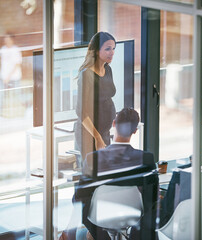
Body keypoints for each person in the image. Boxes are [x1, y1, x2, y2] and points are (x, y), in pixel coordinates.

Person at [61, 108, 156, 240]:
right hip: (132, 215)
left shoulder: (93, 158)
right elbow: (152, 197)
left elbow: (79, 198)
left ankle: (99, 236)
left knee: (79, 198)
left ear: (113, 124)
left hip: (99, 216)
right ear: (135, 131)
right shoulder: (146, 158)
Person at [74, 31, 117, 165]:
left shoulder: (108, 69)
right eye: (108, 49)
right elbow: (82, 111)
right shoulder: (86, 75)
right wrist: (97, 138)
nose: (112, 52)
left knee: (105, 171)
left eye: (113, 48)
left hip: (104, 131)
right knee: (91, 173)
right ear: (97, 51)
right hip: (90, 134)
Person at [0, 34, 22, 114]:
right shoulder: (2, 49)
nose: (6, 41)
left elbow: (17, 64)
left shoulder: (16, 50)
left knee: (19, 94)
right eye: (5, 39)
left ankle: (28, 110)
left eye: (8, 39)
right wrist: (4, 76)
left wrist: (8, 77)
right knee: (0, 96)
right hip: (3, 77)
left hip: (14, 77)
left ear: (12, 40)